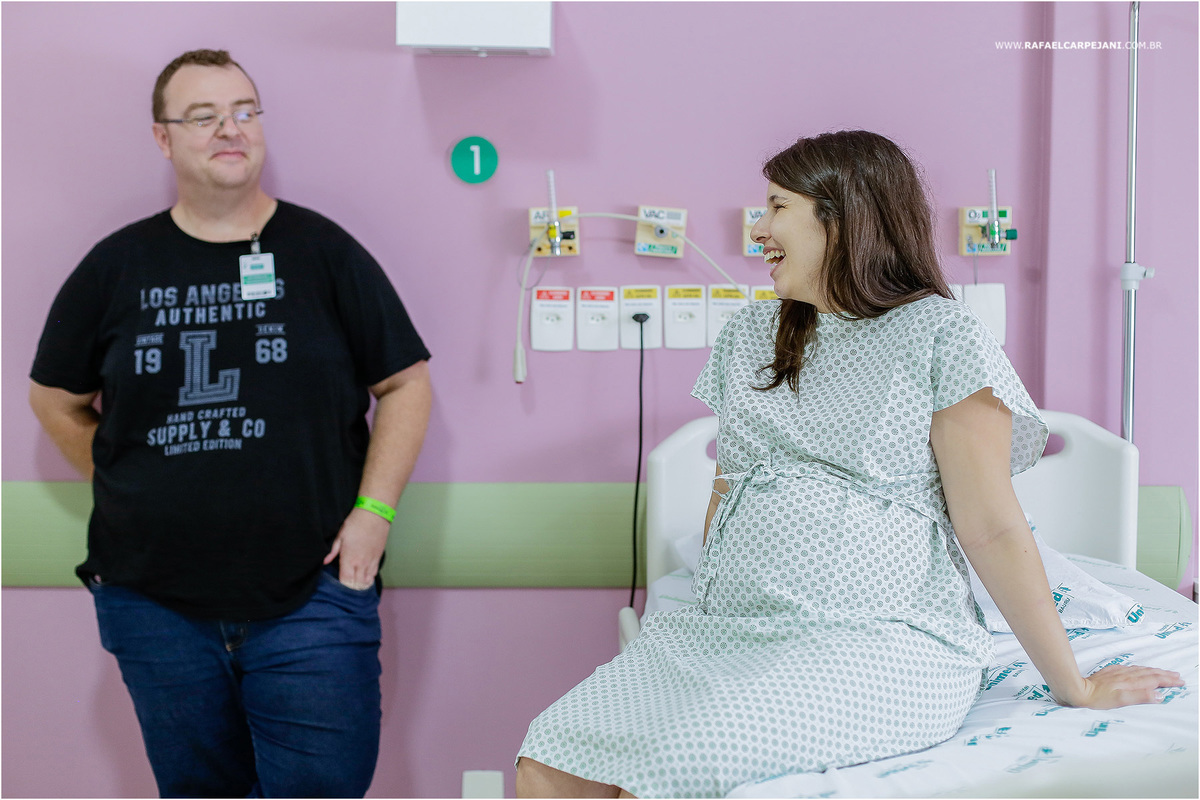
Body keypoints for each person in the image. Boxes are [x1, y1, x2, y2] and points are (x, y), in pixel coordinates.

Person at [514, 130, 1183, 798]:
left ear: (842, 217)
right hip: (728, 633)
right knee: (547, 764)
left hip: (877, 641)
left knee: (665, 775)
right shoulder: (751, 335)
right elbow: (727, 490)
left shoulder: (941, 336)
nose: (759, 229)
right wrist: (714, 611)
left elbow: (992, 528)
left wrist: (1075, 686)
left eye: (778, 207)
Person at [28, 49, 431, 798]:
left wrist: (373, 515)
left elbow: (406, 382)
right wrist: (125, 485)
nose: (230, 129)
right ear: (163, 138)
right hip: (155, 603)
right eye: (204, 116)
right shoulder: (116, 267)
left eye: (245, 111)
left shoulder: (324, 254)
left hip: (313, 593)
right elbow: (53, 397)